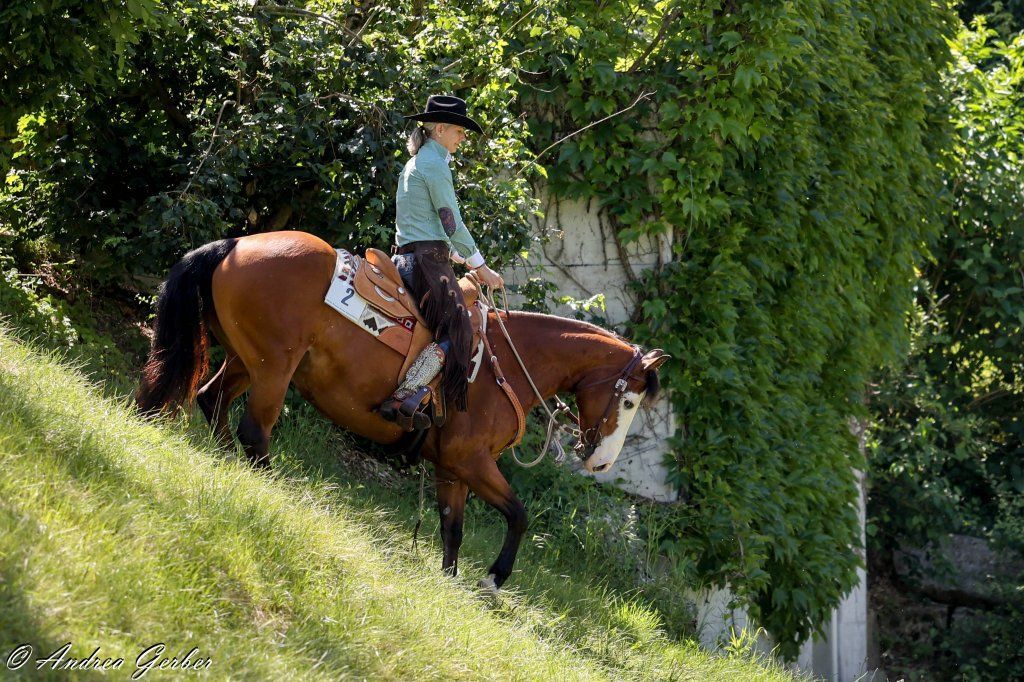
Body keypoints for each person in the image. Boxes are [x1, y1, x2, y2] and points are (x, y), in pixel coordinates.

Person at [379, 95, 504, 430]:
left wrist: (458, 256)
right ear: (440, 128)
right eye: (460, 130)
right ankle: (405, 396)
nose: (463, 137)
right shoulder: (433, 165)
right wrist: (481, 268)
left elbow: (424, 227)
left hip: (412, 256)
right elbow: (451, 223)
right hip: (426, 265)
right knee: (460, 328)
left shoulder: (418, 163)